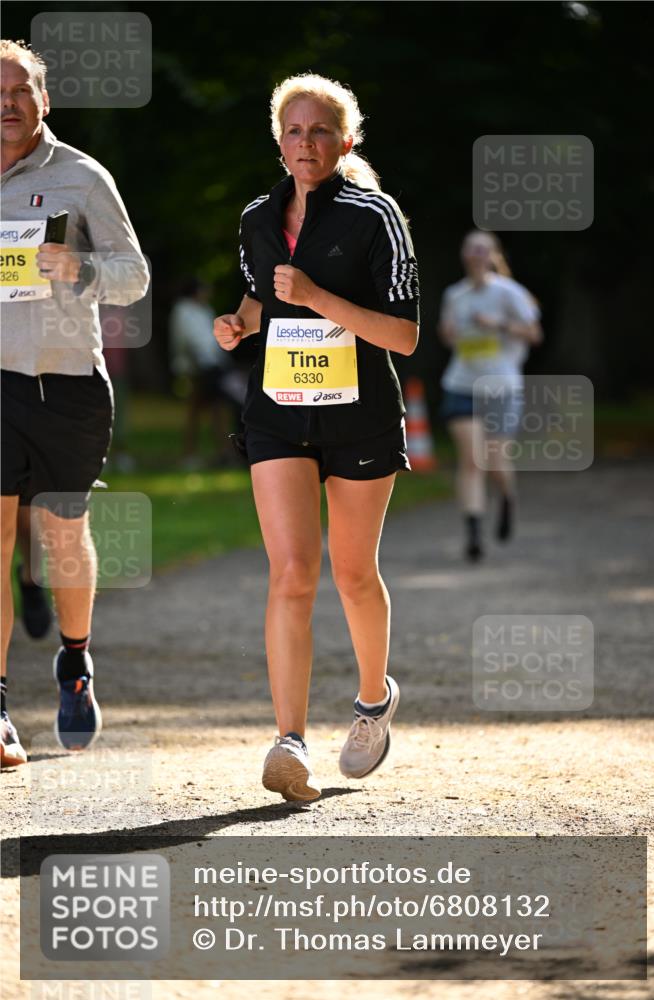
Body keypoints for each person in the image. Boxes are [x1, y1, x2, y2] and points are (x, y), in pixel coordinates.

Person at [213, 73, 419, 802]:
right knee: (291, 572)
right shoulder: (257, 217)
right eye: (294, 131)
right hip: (277, 411)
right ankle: (289, 742)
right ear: (279, 141)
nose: (307, 142)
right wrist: (239, 323)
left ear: (345, 141)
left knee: (352, 572)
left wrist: (318, 296)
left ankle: (371, 705)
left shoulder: (375, 215)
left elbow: (402, 334)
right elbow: (261, 296)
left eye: (321, 130)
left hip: (358, 412)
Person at [0, 40, 150, 766]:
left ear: (43, 100)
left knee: (61, 536)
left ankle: (76, 660)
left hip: (67, 386)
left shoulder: (82, 177)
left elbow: (134, 276)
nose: (6, 102)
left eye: (19, 90)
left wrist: (79, 264)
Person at [438, 230, 542, 562]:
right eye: (470, 249)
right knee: (471, 459)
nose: (476, 254)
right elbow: (448, 335)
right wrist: (448, 333)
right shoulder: (455, 294)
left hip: (501, 387)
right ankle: (473, 533)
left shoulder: (510, 293)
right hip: (460, 384)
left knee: (495, 460)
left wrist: (498, 324)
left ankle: (507, 496)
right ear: (463, 255)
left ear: (493, 254)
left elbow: (534, 334)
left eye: (482, 249)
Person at [169, 278, 244, 469]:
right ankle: (189, 454)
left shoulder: (205, 310)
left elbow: (212, 340)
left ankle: (224, 452)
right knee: (195, 411)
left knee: (217, 410)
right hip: (195, 369)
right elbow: (187, 340)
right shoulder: (183, 310)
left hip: (214, 366)